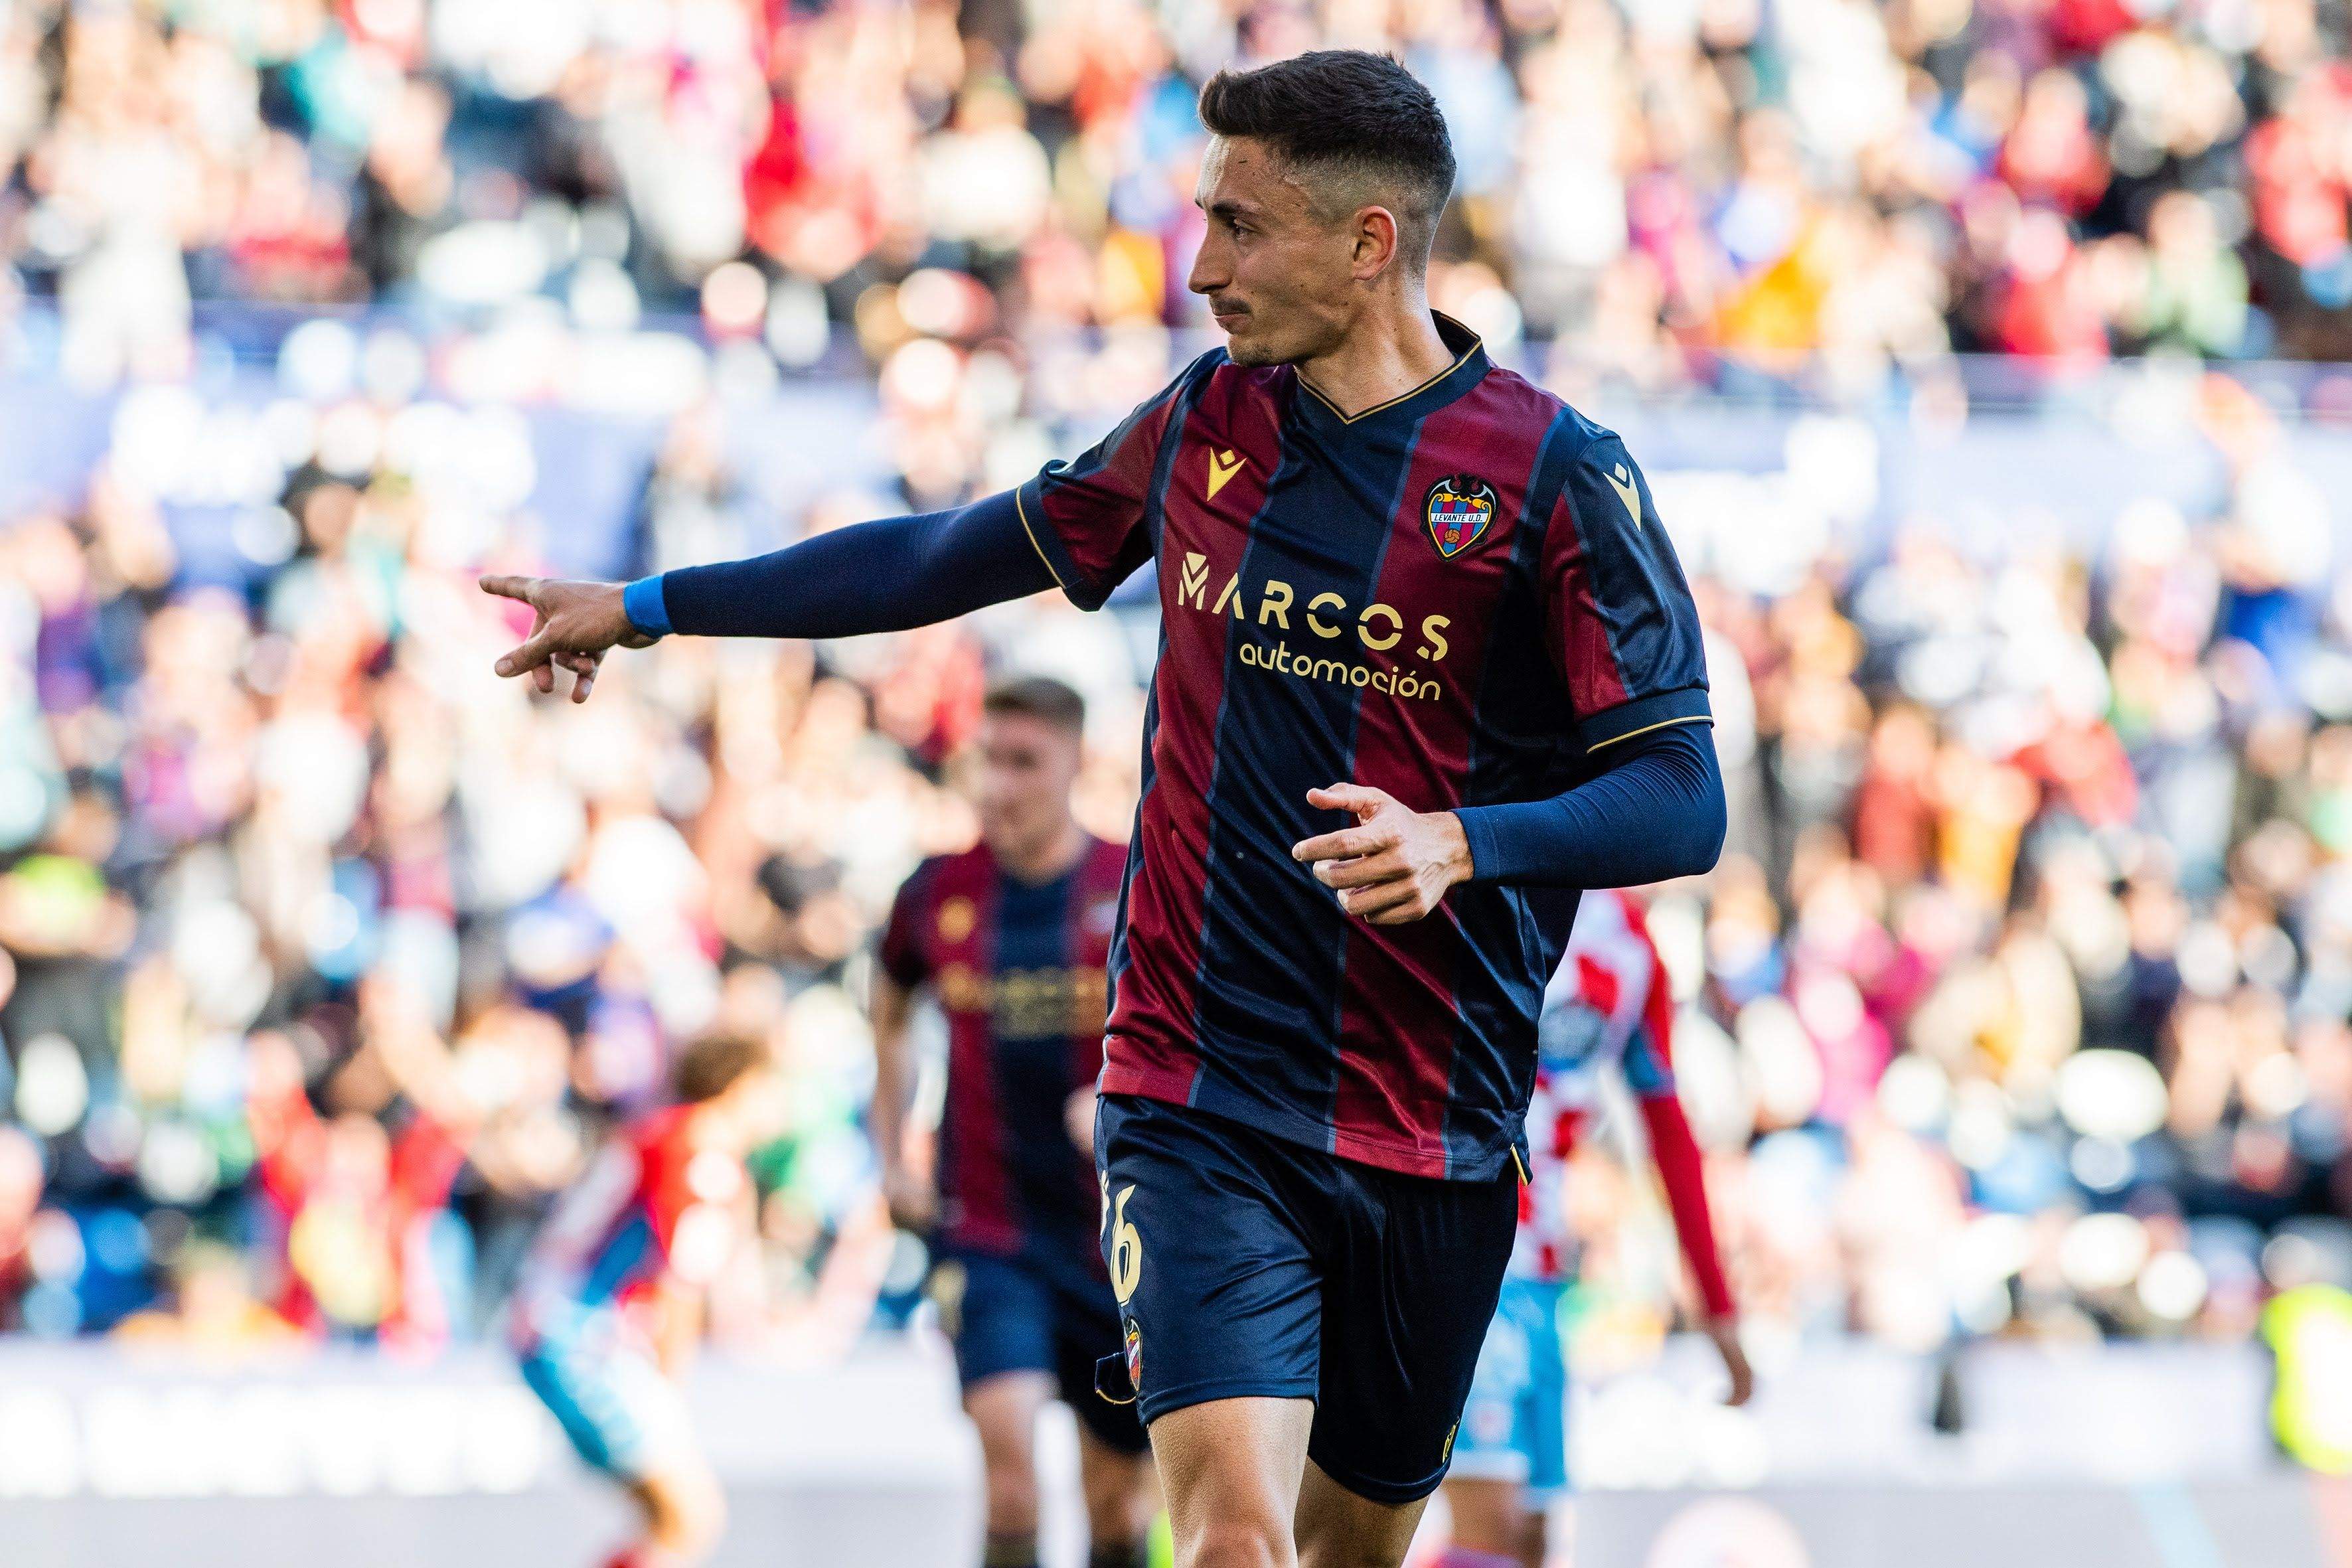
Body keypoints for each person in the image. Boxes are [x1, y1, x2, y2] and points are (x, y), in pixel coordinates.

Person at [482, 49, 1726, 1567]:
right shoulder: (1210, 420)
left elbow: (1681, 796)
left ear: (1369, 242)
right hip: (1197, 1097)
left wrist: (1464, 841)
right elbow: (948, 556)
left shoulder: (1553, 477)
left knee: (1347, 1553)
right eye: (1203, 218)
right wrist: (653, 604)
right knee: (1228, 1545)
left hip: (1435, 1128)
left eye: (1242, 229)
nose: (1202, 269)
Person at [872, 674, 1158, 1568]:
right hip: (987, 1230)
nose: (999, 784)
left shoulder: (1135, 885)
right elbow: (885, 1011)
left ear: (1076, 763)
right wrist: (893, 1150)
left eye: (1024, 762)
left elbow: (1206, 1031)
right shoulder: (934, 893)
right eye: (987, 760)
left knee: (1116, 1508)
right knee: (1009, 1476)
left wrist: (1120, 1097)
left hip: (1121, 1240)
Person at [1436, 890, 1751, 1568]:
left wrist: (1719, 1309)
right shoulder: (1469, 873)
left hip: (1543, 1272)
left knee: (1532, 1542)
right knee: (1489, 1524)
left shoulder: (1629, 941)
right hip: (1447, 1248)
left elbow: (1669, 1128)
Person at [508, 1033, 788, 1568]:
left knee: (673, 1521)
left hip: (558, 1327)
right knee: (688, 1517)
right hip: (581, 1339)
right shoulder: (700, 1153)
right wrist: (668, 1391)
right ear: (742, 1088)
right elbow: (679, 1283)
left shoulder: (660, 1132)